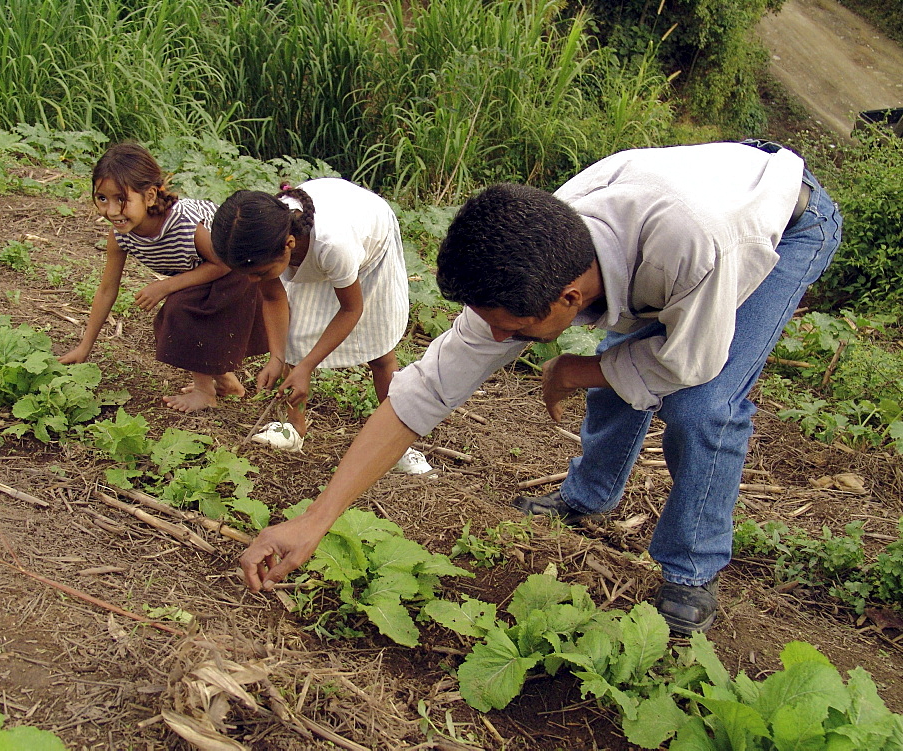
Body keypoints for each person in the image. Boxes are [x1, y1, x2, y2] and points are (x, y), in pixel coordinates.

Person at [236, 140, 842, 635]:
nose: (498, 336)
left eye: (514, 329)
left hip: (780, 223)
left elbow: (692, 363)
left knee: (705, 406)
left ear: (570, 299)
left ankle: (691, 568)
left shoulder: (695, 251)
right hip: (680, 216)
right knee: (628, 353)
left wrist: (577, 369)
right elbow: (418, 397)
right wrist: (314, 521)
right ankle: (591, 495)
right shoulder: (536, 249)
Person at [210, 177, 433, 475]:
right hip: (317, 242)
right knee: (294, 339)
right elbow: (273, 297)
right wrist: (278, 357)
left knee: (379, 352)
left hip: (369, 241)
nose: (251, 281)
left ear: (289, 245)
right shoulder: (264, 238)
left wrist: (306, 368)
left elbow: (352, 309)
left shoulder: (333, 245)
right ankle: (294, 429)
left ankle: (399, 444)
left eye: (259, 273)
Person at [59, 143, 268, 412]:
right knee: (185, 306)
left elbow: (224, 264)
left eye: (121, 199)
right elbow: (106, 289)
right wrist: (84, 346)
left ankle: (205, 392)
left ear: (149, 196)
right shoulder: (120, 236)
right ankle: (226, 383)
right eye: (102, 198)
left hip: (238, 266)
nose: (111, 211)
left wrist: (166, 286)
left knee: (182, 309)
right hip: (205, 269)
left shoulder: (186, 225)